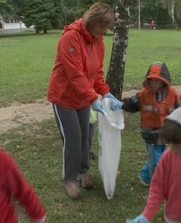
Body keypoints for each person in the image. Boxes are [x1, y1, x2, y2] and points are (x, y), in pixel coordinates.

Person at [46, 2, 122, 199]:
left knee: (85, 137)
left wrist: (104, 92)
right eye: (102, 27)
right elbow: (76, 75)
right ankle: (69, 179)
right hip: (64, 97)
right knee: (73, 137)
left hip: (83, 96)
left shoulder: (98, 41)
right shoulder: (70, 38)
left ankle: (83, 172)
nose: (104, 32)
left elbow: (96, 72)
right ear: (92, 22)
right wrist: (92, 97)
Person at [111, 62, 181, 186]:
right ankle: (156, 182)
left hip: (168, 135)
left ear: (164, 81)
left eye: (157, 81)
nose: (154, 84)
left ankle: (145, 176)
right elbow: (133, 103)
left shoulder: (173, 95)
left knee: (164, 158)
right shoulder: (143, 95)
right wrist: (121, 104)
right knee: (156, 161)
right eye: (152, 81)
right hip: (151, 136)